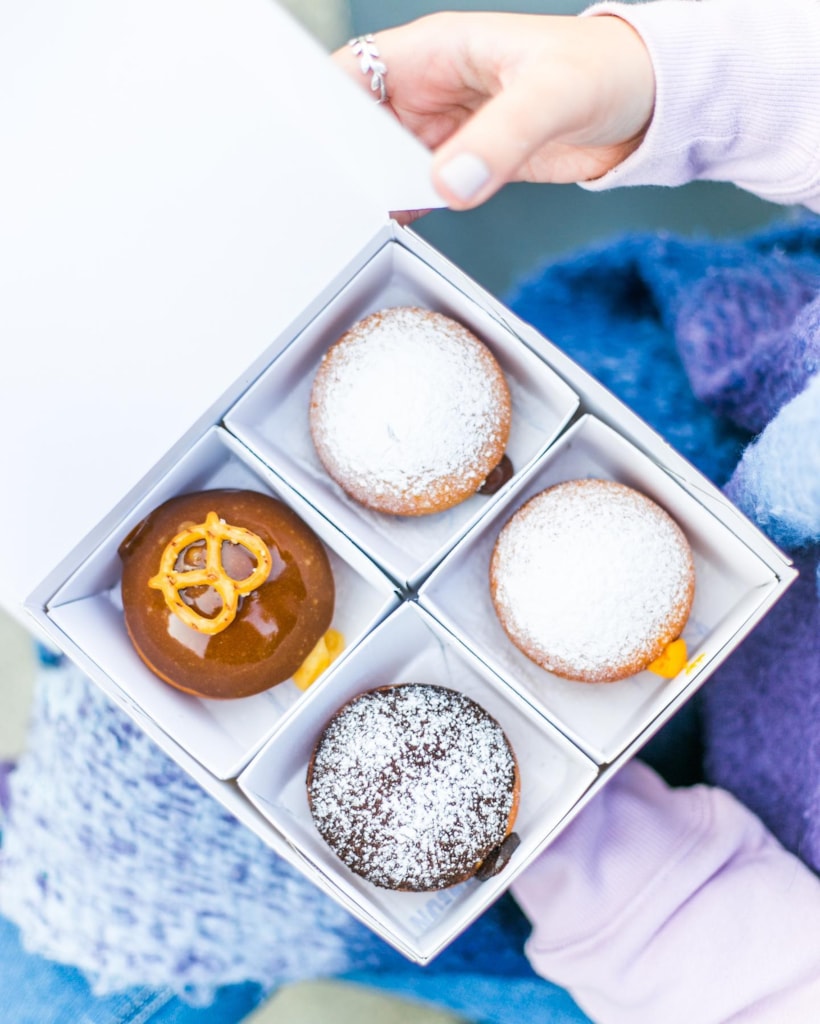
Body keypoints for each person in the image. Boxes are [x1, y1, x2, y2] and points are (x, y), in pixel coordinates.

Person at [335, 2, 820, 1022]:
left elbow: (730, 970)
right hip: (733, 407)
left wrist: (537, 795)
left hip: (648, 873)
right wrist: (657, 82)